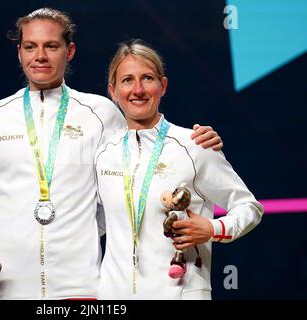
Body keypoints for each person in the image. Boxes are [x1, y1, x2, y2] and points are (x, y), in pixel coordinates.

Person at [0, 8, 223, 300]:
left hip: (82, 288)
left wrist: (196, 139)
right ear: (19, 52)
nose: (39, 56)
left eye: (51, 46)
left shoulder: (102, 113)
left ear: (70, 51)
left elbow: (138, 172)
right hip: (5, 287)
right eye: (30, 46)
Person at [95, 39, 264, 300]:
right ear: (113, 91)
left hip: (181, 292)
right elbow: (92, 221)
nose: (138, 89)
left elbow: (249, 207)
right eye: (127, 80)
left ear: (162, 86)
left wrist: (213, 228)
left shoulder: (194, 145)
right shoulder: (103, 152)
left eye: (147, 78)